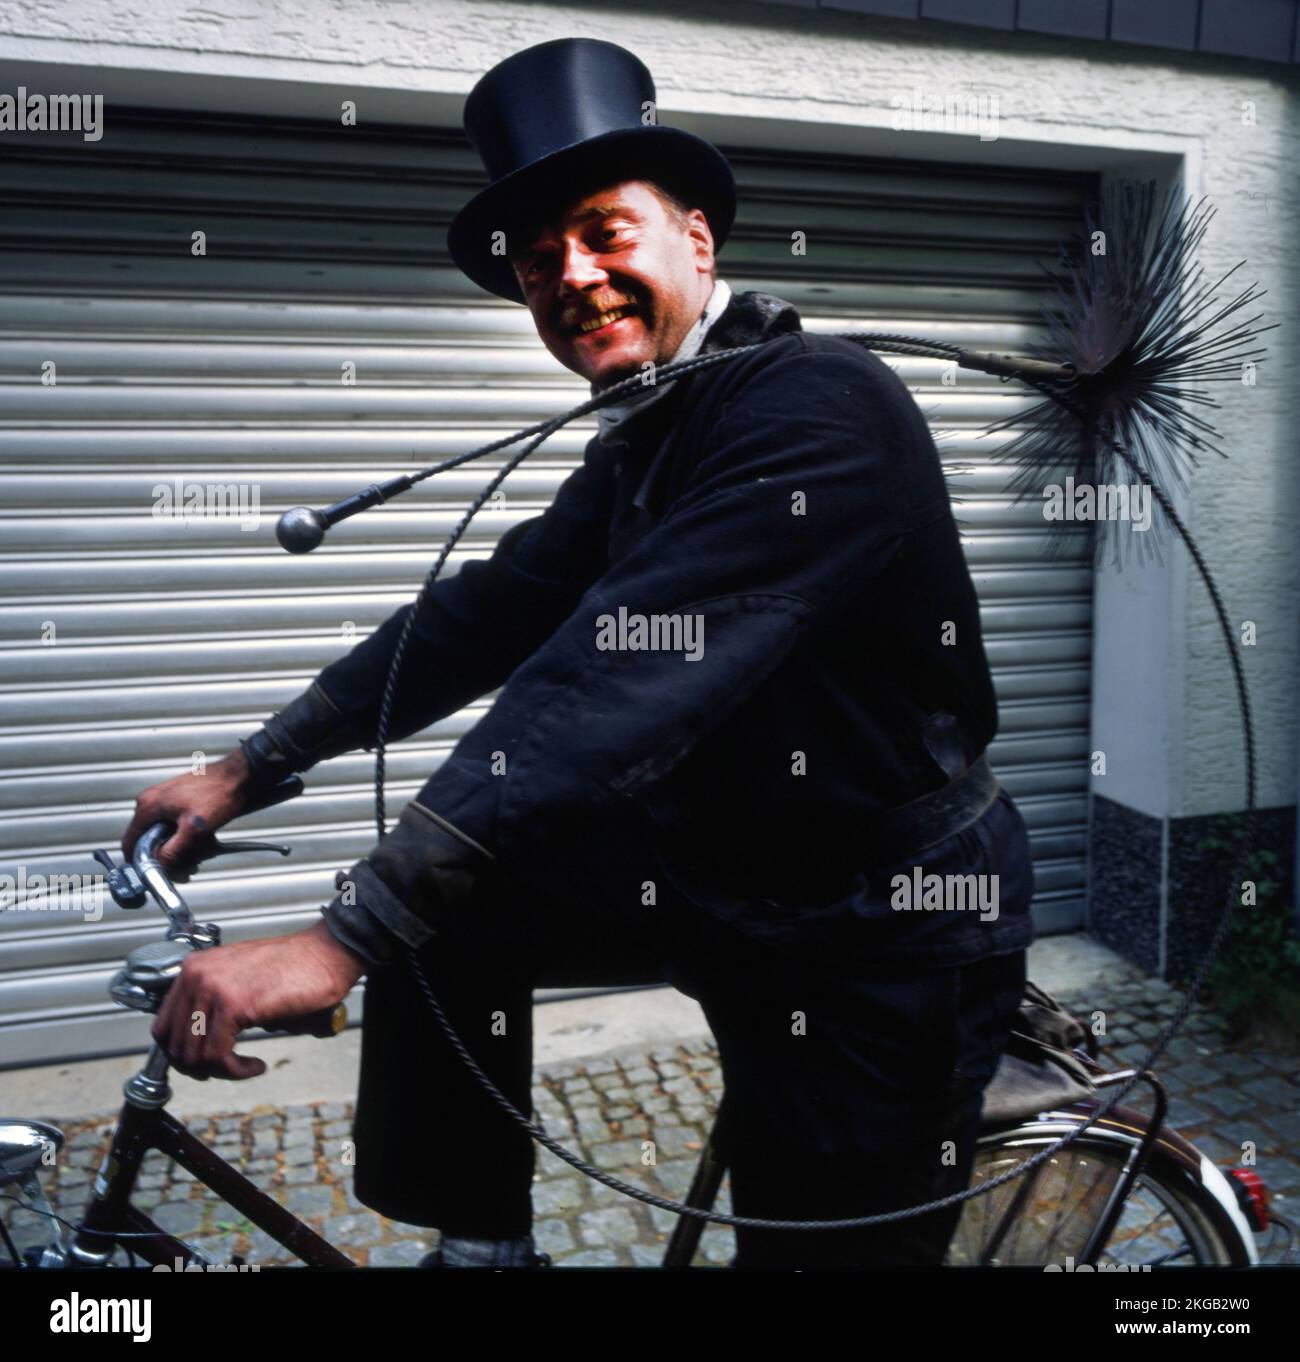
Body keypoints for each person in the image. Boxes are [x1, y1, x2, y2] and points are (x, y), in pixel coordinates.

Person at [122, 38, 1034, 1269]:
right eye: (544, 259)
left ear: (696, 242)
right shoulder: (646, 442)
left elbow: (609, 679)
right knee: (453, 916)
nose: (576, 277)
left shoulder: (819, 407)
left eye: (605, 233)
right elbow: (488, 614)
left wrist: (338, 937)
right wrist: (251, 765)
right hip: (727, 875)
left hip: (878, 925)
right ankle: (482, 1249)